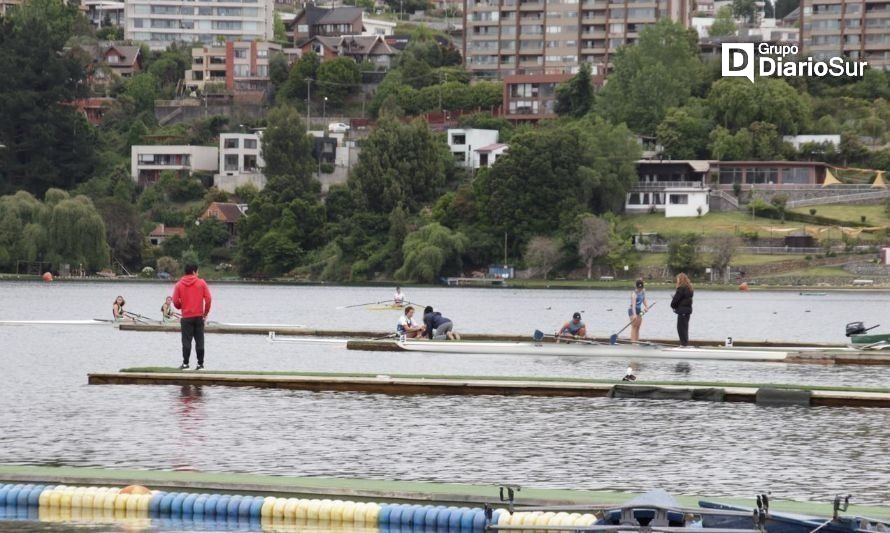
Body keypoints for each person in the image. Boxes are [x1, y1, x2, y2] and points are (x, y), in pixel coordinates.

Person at [172, 264, 212, 370]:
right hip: (199, 316)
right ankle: (200, 364)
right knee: (200, 340)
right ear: (194, 272)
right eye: (197, 272)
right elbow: (208, 299)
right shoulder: (201, 282)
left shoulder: (179, 284)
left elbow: (175, 301)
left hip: (186, 317)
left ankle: (185, 364)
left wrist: (181, 306)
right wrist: (205, 313)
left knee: (186, 341)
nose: (198, 274)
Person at [670, 273, 694, 347]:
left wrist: (673, 305)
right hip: (688, 311)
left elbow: (675, 300)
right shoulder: (689, 288)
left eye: (678, 279)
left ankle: (683, 344)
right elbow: (683, 299)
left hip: (683, 311)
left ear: (680, 280)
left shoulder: (681, 288)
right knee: (685, 327)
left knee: (680, 328)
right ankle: (685, 343)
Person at [628, 279, 650, 343]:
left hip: (639, 310)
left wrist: (646, 306)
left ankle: (637, 341)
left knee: (638, 326)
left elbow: (644, 299)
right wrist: (634, 314)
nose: (640, 289)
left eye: (641, 288)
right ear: (636, 287)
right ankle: (633, 343)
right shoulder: (634, 294)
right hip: (632, 310)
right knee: (634, 326)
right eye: (638, 288)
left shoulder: (643, 291)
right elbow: (634, 305)